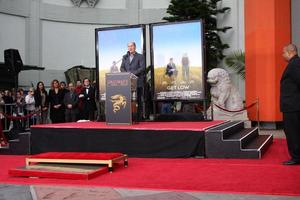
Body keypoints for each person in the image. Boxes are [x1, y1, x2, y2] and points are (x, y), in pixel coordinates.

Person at [280, 44, 300, 165]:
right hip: (293, 105)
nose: (282, 55)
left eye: (283, 52)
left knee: (293, 132)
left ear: (290, 52)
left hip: (293, 106)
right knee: (294, 131)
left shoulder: (295, 64)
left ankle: (296, 157)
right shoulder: (295, 63)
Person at [120, 41, 145, 121]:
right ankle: (129, 117)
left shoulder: (140, 56)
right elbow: (122, 68)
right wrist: (126, 74)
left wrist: (131, 74)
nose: (130, 48)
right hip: (127, 83)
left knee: (138, 100)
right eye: (128, 46)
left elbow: (142, 68)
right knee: (127, 100)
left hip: (137, 82)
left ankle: (139, 117)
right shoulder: (125, 57)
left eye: (131, 46)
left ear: (135, 47)